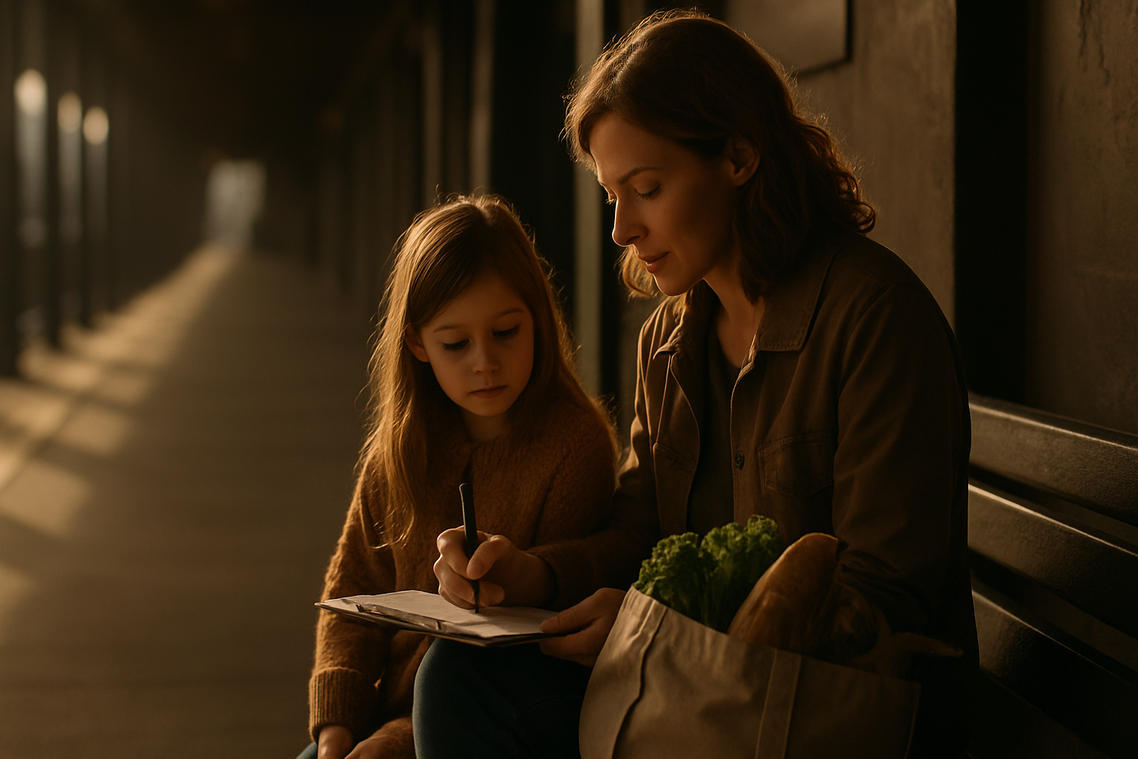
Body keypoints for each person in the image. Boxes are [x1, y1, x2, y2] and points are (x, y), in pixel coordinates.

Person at [416, 9, 977, 759]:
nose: (622, 229)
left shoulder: (875, 319)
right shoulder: (668, 342)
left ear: (739, 155)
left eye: (646, 187)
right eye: (612, 195)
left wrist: (658, 637)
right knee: (459, 674)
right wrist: (535, 575)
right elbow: (639, 531)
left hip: (826, 716)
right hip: (690, 692)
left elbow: (877, 600)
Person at [299, 193, 617, 759]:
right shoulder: (399, 452)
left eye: (506, 332)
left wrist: (392, 742)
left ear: (538, 319)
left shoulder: (573, 447)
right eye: (455, 343)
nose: (484, 362)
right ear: (417, 343)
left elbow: (510, 671)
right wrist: (334, 732)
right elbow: (351, 597)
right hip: (378, 718)